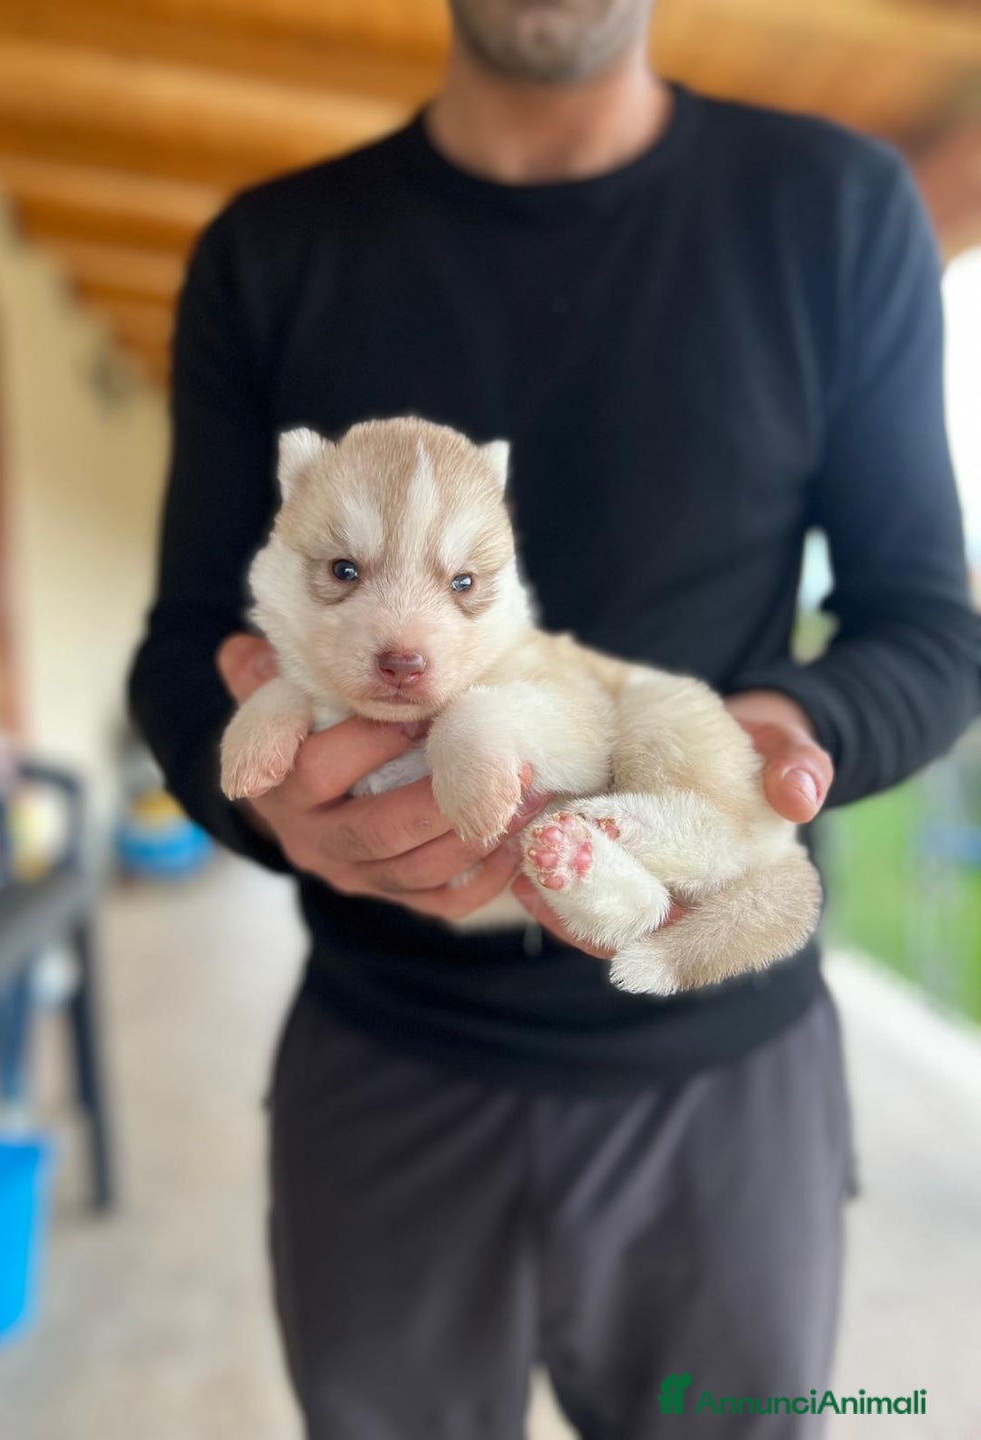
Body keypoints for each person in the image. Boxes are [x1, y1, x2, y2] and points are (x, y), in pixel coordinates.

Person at [128, 1, 981, 1434]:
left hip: (724, 1082)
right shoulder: (270, 253)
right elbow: (179, 645)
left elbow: (933, 630)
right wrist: (266, 801)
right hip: (380, 1057)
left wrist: (774, 730)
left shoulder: (836, 208)